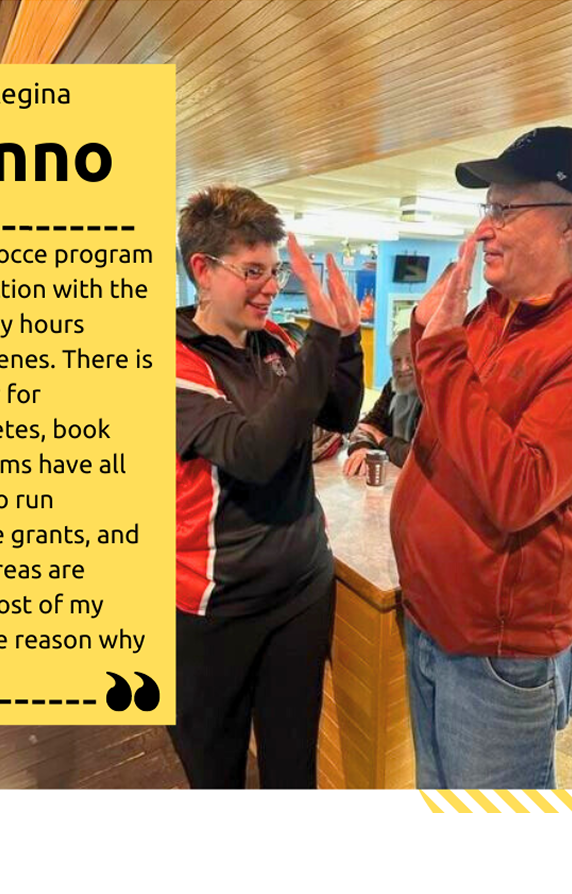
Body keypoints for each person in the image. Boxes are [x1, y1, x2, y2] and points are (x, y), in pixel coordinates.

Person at [390, 126, 572, 788]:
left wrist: (439, 349)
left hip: (498, 658)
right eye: (488, 208)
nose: (486, 228)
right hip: (433, 623)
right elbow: (456, 429)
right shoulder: (494, 313)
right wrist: (427, 334)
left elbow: (518, 489)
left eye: (507, 209)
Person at [174, 185, 363, 788]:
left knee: (292, 769)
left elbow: (338, 413)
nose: (271, 287)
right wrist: (323, 339)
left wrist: (346, 340)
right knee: (217, 775)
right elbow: (252, 453)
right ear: (203, 270)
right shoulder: (173, 361)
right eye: (252, 271)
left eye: (275, 271)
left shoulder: (277, 341)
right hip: (214, 607)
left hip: (300, 591)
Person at [343, 328, 420, 475]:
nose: (402, 368)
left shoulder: (437, 397)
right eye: (397, 360)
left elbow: (420, 458)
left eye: (410, 359)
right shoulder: (393, 387)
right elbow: (367, 425)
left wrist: (381, 439)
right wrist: (363, 447)